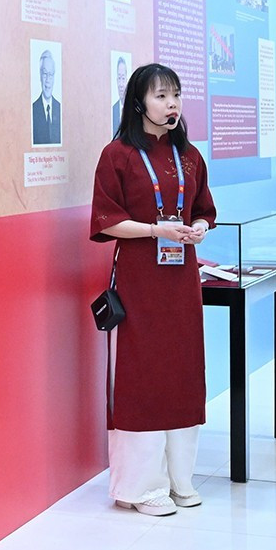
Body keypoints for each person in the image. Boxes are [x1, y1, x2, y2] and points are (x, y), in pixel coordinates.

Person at [88, 62, 216, 515]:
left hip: (181, 280)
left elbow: (203, 209)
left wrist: (197, 227)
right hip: (139, 280)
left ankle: (180, 479)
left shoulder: (191, 156)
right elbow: (105, 220)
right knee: (141, 377)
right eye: (162, 96)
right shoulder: (118, 154)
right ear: (139, 102)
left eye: (176, 95)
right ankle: (141, 487)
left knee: (182, 371)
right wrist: (155, 231)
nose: (172, 104)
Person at [31, 48, 61, 145]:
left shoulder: (60, 108)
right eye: (44, 74)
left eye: (51, 74)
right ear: (40, 76)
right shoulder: (33, 109)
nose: (48, 79)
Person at [109, 56, 129, 135]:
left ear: (127, 80)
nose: (121, 84)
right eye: (119, 78)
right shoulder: (114, 109)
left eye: (123, 78)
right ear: (116, 81)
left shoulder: (135, 109)